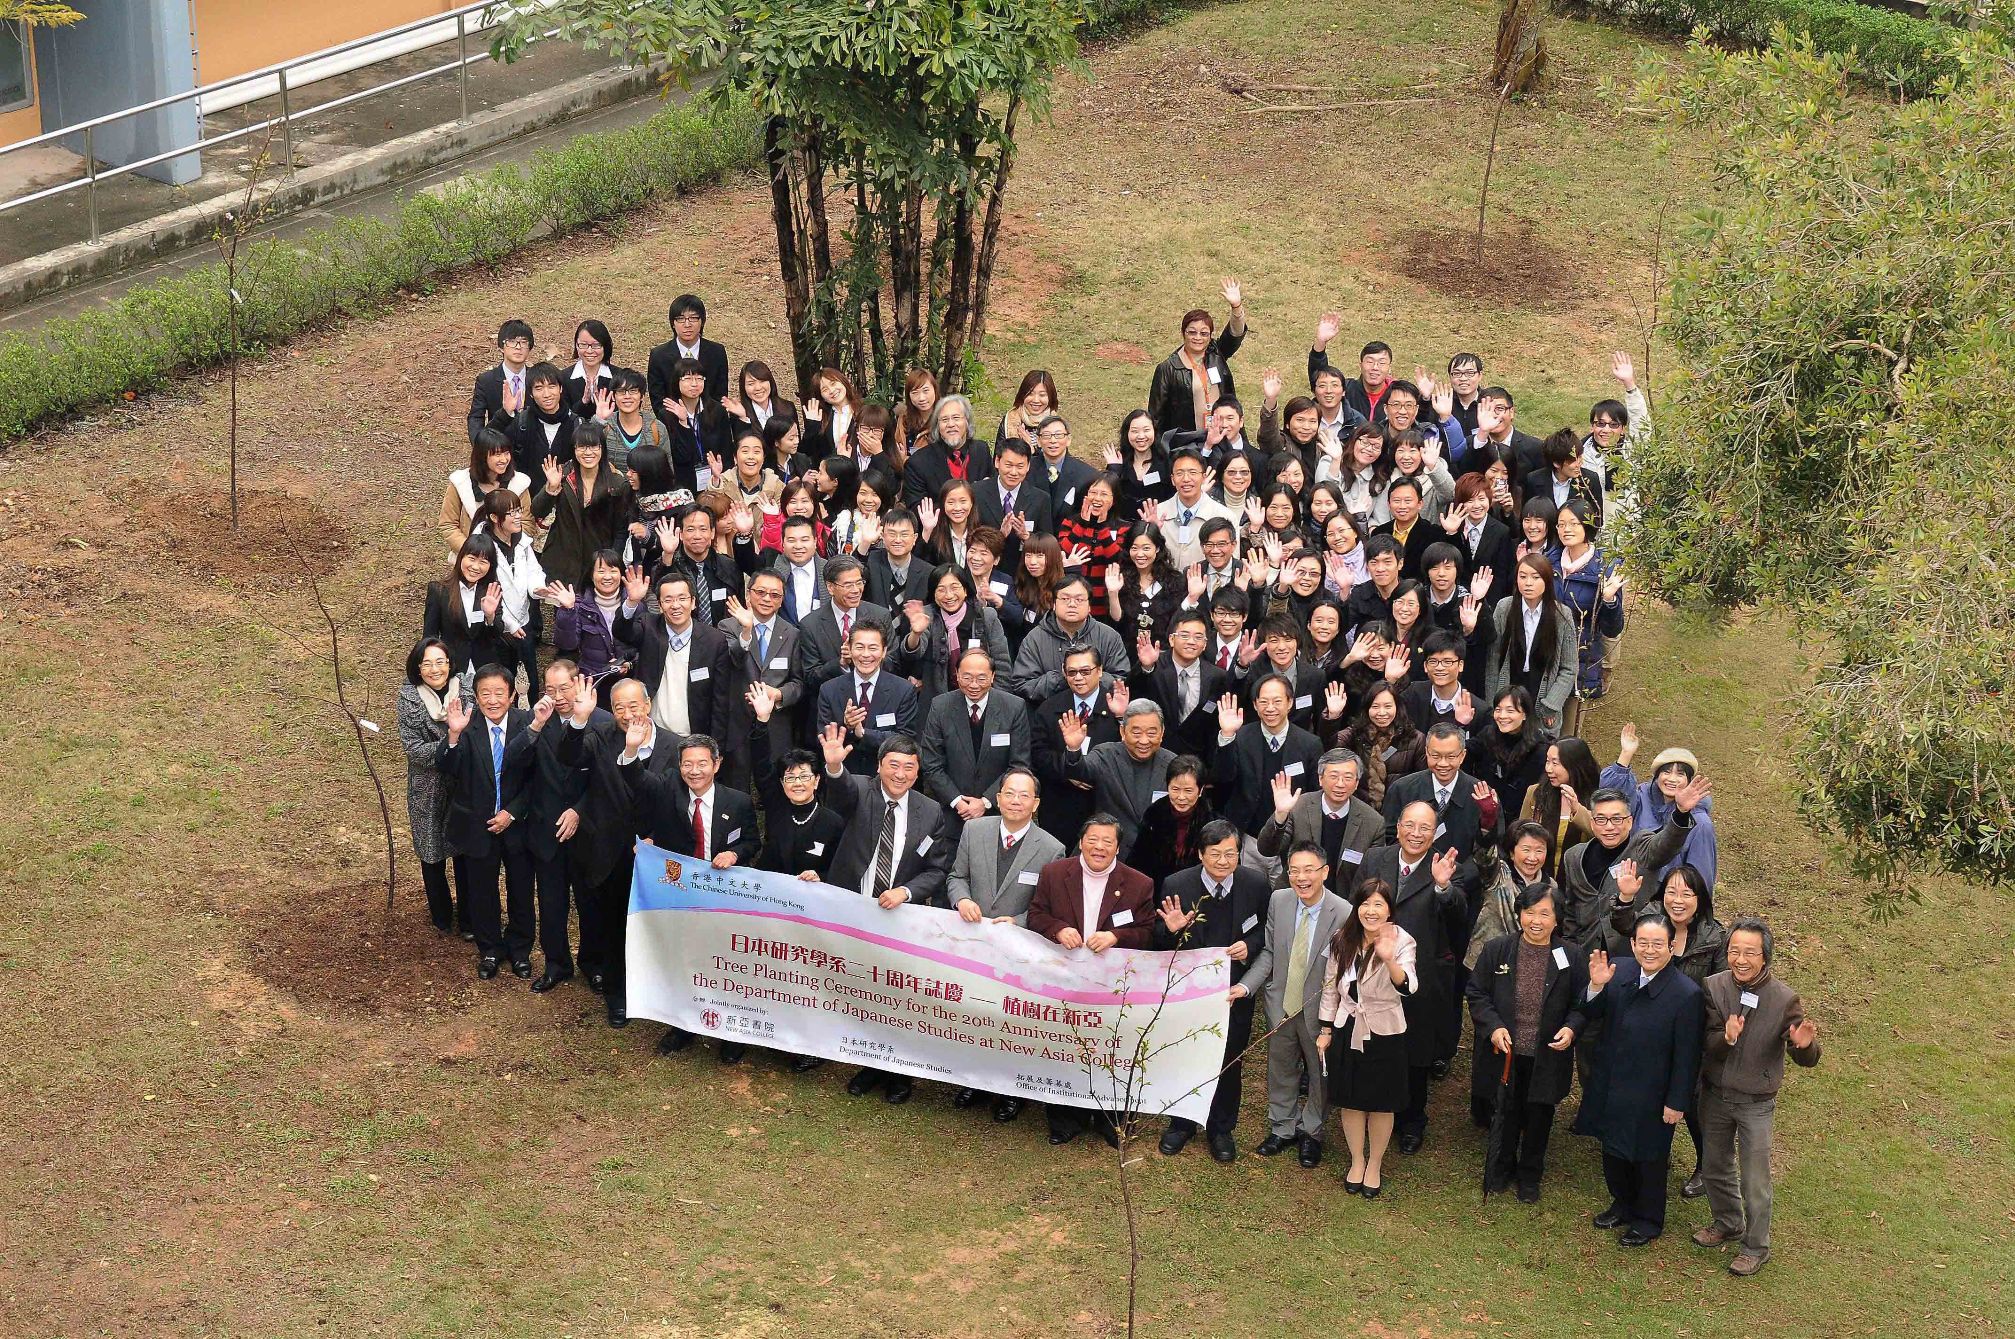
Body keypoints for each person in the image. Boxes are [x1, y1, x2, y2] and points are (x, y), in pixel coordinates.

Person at [819, 725, 951, 1102]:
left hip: (896, 916)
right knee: (859, 989)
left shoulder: (930, 812)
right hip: (853, 910)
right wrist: (832, 768)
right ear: (879, 766)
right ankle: (867, 1062)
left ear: (918, 770)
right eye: (893, 765)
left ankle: (899, 1074)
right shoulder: (860, 790)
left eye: (909, 767)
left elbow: (937, 869)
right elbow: (840, 793)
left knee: (894, 996)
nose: (900, 774)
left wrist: (907, 892)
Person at [621, 729, 763, 1059]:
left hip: (723, 897)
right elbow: (638, 779)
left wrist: (735, 855)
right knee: (684, 960)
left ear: (717, 764)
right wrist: (631, 749)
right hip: (680, 895)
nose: (694, 771)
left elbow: (752, 842)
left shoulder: (738, 801)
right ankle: (683, 1025)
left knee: (724, 963)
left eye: (702, 763)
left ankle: (730, 1033)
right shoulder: (669, 789)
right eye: (687, 764)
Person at [1694, 916, 1822, 1276]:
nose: (1740, 959)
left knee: (1754, 1178)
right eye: (1734, 950)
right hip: (1716, 1094)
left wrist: (1804, 1047)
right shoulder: (1714, 986)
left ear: (1765, 956)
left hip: (1756, 1102)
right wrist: (1727, 1037)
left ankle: (1755, 1246)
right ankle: (1727, 1222)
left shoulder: (1784, 999)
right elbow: (1706, 1041)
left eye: (1750, 952)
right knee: (1714, 1167)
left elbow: (1806, 1055)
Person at [944, 766, 1067, 1122]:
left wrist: (1020, 922)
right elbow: (957, 877)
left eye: (1024, 795)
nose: (1015, 800)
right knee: (976, 1013)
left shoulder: (1051, 848)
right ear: (997, 798)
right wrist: (961, 900)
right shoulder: (974, 829)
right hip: (974, 943)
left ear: (1036, 803)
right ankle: (974, 1080)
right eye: (1009, 793)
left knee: (1011, 1019)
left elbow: (1049, 907)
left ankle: (1011, 1090)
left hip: (1018, 949)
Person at [1026, 814, 1158, 1145]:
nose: (1099, 847)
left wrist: (1116, 936)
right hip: (1064, 980)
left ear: (1117, 847)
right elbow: (1036, 915)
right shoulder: (1055, 873)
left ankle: (1110, 1119)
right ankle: (1064, 1118)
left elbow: (1147, 933)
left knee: (1112, 1049)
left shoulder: (1139, 883)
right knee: (1064, 1047)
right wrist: (1058, 929)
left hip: (1111, 986)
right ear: (1082, 841)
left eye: (1107, 842)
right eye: (1093, 839)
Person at [1581, 915, 1707, 1247]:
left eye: (1657, 944)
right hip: (1612, 1081)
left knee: (1649, 1158)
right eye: (1643, 943)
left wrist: (1676, 1101)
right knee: (1612, 1149)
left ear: (1671, 946)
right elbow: (1591, 1016)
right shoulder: (1619, 971)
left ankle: (1648, 1220)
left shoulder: (1686, 994)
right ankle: (1621, 1204)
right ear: (1633, 944)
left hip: (1653, 1091)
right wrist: (1595, 987)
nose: (1649, 950)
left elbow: (1687, 1055)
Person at [1464, 884, 1589, 1202]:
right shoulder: (1497, 949)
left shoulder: (1571, 956)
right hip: (1505, 1051)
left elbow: (1582, 1004)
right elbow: (1477, 993)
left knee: (1539, 1116)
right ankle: (1501, 1168)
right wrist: (1493, 1027)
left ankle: (1530, 1175)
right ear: (1519, 914)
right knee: (1505, 1111)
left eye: (1544, 913)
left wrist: (1571, 1029)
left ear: (1557, 918)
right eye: (1530, 912)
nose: (1536, 920)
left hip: (1547, 1054)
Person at [1153, 820, 1269, 1160]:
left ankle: (1221, 1128)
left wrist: (1250, 943)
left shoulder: (1256, 882)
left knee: (1229, 1059)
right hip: (1189, 991)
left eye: (1230, 854)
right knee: (1185, 1054)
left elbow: (1266, 930)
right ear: (1201, 854)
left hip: (1234, 990)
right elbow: (1159, 942)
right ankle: (1182, 1122)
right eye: (1215, 854)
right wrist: (1172, 930)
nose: (1223, 861)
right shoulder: (1177, 884)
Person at [1610, 860, 1728, 1196]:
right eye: (1672, 891)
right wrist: (1624, 899)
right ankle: (1646, 1156)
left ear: (1700, 898)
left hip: (1693, 1031)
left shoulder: (1715, 936)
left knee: (1690, 1101)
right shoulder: (1650, 919)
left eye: (1687, 893)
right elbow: (1623, 924)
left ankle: (1706, 1165)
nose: (1678, 900)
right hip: (1650, 1026)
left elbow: (1721, 988)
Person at [1234, 841, 1348, 1167]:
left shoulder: (1342, 912)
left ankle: (1311, 1131)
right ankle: (1282, 1127)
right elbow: (1269, 952)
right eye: (1294, 870)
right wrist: (1246, 986)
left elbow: (1341, 970)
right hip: (1281, 1003)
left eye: (1309, 870)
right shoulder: (1279, 900)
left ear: (1324, 872)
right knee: (1280, 1067)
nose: (1301, 877)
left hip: (1318, 1009)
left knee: (1318, 1072)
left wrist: (1331, 1018)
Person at [436, 664, 537, 979]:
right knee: (482, 892)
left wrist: (512, 812)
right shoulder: (467, 725)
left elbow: (536, 778)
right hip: (477, 825)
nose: (492, 700)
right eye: (485, 694)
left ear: (510, 695)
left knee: (521, 889)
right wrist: (452, 734)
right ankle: (490, 949)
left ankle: (520, 950)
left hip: (516, 824)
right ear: (476, 697)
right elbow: (447, 768)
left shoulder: (528, 724)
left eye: (498, 693)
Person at [1316, 876, 1416, 1195]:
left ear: (1389, 909)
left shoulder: (1401, 941)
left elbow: (1409, 985)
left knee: (1381, 1103)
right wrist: (1326, 1028)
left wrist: (1388, 959)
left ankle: (1375, 1165)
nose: (1370, 911)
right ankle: (1357, 1160)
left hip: (1385, 1031)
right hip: (1348, 1028)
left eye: (1378, 904)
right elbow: (1331, 987)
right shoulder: (1342, 938)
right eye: (1365, 903)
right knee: (1351, 1101)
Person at [520, 660, 597, 993]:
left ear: (579, 684)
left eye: (565, 687)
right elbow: (516, 766)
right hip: (545, 828)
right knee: (551, 903)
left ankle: (594, 964)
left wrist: (579, 810)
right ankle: (556, 963)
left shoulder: (602, 722)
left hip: (586, 830)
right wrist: (535, 726)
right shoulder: (536, 721)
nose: (559, 696)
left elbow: (606, 783)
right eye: (551, 689)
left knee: (589, 903)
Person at [396, 637, 473, 935]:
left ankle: (468, 918)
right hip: (427, 786)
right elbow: (414, 748)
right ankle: (441, 916)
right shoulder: (409, 697)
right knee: (431, 852)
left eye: (440, 662)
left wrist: (459, 745)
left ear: (450, 663)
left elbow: (477, 733)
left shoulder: (466, 689)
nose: (434, 669)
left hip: (464, 781)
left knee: (465, 853)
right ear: (418, 668)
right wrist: (450, 742)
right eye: (427, 663)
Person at [918, 645, 1032, 834]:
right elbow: (932, 763)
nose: (973, 685)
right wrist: (957, 801)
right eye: (967, 677)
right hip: (950, 812)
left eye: (981, 678)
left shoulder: (1013, 707)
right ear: (956, 674)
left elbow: (1019, 764)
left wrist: (985, 801)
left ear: (993, 677)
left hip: (997, 814)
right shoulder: (940, 706)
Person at [617, 567, 736, 747]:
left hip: (694, 737)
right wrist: (632, 602)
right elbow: (623, 633)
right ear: (659, 604)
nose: (675, 605)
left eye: (682, 598)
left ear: (693, 602)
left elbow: (720, 699)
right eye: (668, 600)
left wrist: (715, 745)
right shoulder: (649, 626)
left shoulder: (714, 640)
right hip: (651, 734)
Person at [1603, 727, 1720, 889]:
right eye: (1666, 772)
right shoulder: (1642, 799)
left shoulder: (1699, 822)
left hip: (1666, 901)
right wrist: (1626, 754)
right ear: (1657, 776)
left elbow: (1701, 876)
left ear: (1689, 780)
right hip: (1627, 890)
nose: (1672, 779)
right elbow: (1611, 800)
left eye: (1680, 774)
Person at [1213, 676, 1324, 841]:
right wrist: (1227, 736)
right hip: (1247, 833)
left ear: (1290, 703)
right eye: (1264, 702)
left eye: (1277, 701)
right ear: (1255, 705)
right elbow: (1222, 778)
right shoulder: (1240, 737)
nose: (1270, 708)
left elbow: (1315, 792)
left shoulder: (1310, 744)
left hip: (1292, 834)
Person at [1061, 696, 1176, 854]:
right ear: (1122, 731)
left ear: (1162, 733)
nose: (1144, 740)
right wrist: (1074, 750)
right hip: (1108, 853)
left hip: (1155, 855)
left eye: (1151, 733)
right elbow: (1081, 771)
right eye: (1136, 733)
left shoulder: (1172, 763)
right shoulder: (1106, 754)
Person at [1258, 747, 1382, 886]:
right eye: (1333, 776)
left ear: (1356, 783)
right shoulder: (1298, 807)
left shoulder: (1373, 822)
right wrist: (1280, 815)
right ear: (1320, 779)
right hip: (1296, 893)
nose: (1340, 784)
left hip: (1345, 901)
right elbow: (1267, 850)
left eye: (1347, 778)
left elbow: (1371, 876)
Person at [1380, 721, 1498, 864]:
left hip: (1463, 881)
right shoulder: (1402, 789)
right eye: (1435, 756)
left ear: (1462, 755)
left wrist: (1488, 823)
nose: (1443, 764)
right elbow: (1389, 838)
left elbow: (1491, 850)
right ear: (1426, 752)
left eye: (1450, 757)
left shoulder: (1482, 794)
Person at [1486, 553, 1579, 734]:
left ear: (1547, 580)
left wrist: (1552, 703)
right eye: (1523, 576)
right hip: (1510, 688)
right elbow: (1493, 659)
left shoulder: (1562, 615)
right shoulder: (1504, 608)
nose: (1528, 583)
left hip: (1543, 694)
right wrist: (1494, 704)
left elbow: (1569, 668)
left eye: (1536, 577)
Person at [532, 426, 632, 591]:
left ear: (602, 449)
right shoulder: (562, 475)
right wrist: (550, 489)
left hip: (600, 564)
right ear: (574, 449)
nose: (588, 452)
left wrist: (612, 562)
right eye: (582, 447)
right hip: (565, 560)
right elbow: (537, 511)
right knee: (565, 615)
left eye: (594, 446)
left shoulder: (616, 483)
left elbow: (621, 530)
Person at [816, 618, 918, 775]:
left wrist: (862, 733)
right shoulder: (829, 689)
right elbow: (823, 737)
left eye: (873, 648)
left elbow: (905, 739)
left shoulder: (903, 690)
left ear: (884, 651)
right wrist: (847, 726)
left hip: (887, 777)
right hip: (844, 776)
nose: (866, 655)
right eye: (859, 647)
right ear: (849, 649)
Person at [897, 564, 1011, 705]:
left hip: (981, 698)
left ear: (965, 590)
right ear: (934, 593)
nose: (949, 595)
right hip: (938, 702)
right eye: (941, 590)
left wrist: (998, 703)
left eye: (954, 588)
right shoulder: (927, 615)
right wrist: (916, 633)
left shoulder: (986, 616)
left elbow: (1002, 665)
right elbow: (911, 654)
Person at [1009, 575, 1132, 702]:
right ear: (1054, 604)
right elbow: (1021, 685)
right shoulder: (1035, 638)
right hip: (1049, 714)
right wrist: (1062, 677)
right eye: (1065, 598)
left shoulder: (1108, 636)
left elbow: (1122, 680)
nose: (1072, 604)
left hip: (1100, 713)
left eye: (1079, 599)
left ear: (1089, 606)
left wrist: (1089, 676)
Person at [1147, 282, 1247, 437]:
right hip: (1188, 442)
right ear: (1183, 333)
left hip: (1224, 435)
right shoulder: (1168, 368)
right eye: (1192, 332)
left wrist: (1236, 307)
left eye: (1204, 333)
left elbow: (1235, 335)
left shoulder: (1217, 354)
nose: (1198, 338)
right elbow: (1156, 416)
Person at [1553, 498, 1625, 710]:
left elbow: (1612, 629)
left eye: (1574, 523)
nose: (1566, 529)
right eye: (1561, 524)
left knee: (1570, 731)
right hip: (1549, 655)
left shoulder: (1604, 568)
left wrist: (1609, 599)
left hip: (1581, 659)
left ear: (1588, 525)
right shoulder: (1549, 562)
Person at [796, 556, 887, 718]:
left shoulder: (881, 616)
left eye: (859, 583)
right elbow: (810, 678)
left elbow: (894, 664)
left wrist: (869, 658)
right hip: (831, 714)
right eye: (848, 585)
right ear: (830, 587)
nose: (856, 590)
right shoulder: (810, 625)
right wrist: (840, 663)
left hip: (876, 710)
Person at [423, 536, 512, 679]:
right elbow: (429, 636)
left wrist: (490, 616)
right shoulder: (439, 590)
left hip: (485, 669)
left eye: (483, 562)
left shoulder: (491, 590)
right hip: (451, 668)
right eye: (471, 558)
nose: (476, 567)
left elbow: (497, 634)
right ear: (461, 558)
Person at [1125, 755, 1215, 887]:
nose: (1181, 797)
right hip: (1157, 893)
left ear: (1200, 790)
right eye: (1175, 789)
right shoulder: (1154, 816)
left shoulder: (1212, 822)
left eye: (1188, 791)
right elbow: (1138, 862)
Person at [1521, 736, 1600, 881]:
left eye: (1555, 763)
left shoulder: (1597, 799)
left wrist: (1577, 810)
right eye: (1547, 761)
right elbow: (1520, 835)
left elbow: (1603, 834)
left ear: (1574, 765)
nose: (1548, 769)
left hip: (1579, 884)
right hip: (1538, 882)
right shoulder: (1536, 794)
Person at [1150, 449, 1239, 569]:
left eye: (1192, 472)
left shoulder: (1224, 516)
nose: (1186, 479)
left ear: (1203, 477)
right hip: (1165, 584)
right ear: (1172, 479)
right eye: (1179, 473)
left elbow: (1232, 564)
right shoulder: (1157, 513)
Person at [441, 430, 530, 552]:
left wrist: (508, 551)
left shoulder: (519, 484)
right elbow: (448, 524)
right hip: (471, 562)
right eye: (497, 454)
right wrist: (471, 552)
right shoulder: (460, 482)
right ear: (482, 456)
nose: (504, 459)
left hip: (510, 558)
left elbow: (527, 523)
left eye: (507, 453)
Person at [904, 394, 994, 508]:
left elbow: (993, 493)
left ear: (967, 421)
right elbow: (916, 508)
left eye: (956, 418)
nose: (951, 424)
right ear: (938, 426)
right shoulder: (918, 463)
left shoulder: (981, 451)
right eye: (944, 420)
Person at [648, 293, 730, 409]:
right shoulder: (659, 355)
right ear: (673, 323)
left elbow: (720, 395)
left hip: (710, 422)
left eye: (693, 318)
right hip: (671, 423)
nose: (687, 324)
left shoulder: (717, 352)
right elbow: (658, 400)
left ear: (702, 321)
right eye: (681, 319)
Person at [467, 319, 534, 444]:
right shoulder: (487, 380)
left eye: (523, 342)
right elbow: (476, 417)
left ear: (529, 347)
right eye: (512, 342)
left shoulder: (536, 378)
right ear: (501, 347)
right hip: (499, 449)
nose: (518, 347)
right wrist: (480, 445)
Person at [1028, 414, 1100, 521]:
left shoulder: (1088, 475)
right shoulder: (1025, 469)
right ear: (1038, 440)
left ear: (1068, 439)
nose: (1053, 440)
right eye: (1047, 435)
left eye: (1058, 435)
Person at [600, 368, 668, 477]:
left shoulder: (657, 429)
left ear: (642, 396)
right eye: (621, 391)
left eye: (633, 391)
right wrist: (598, 420)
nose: (627, 396)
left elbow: (667, 470)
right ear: (613, 396)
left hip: (649, 492)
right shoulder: (604, 426)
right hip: (612, 492)